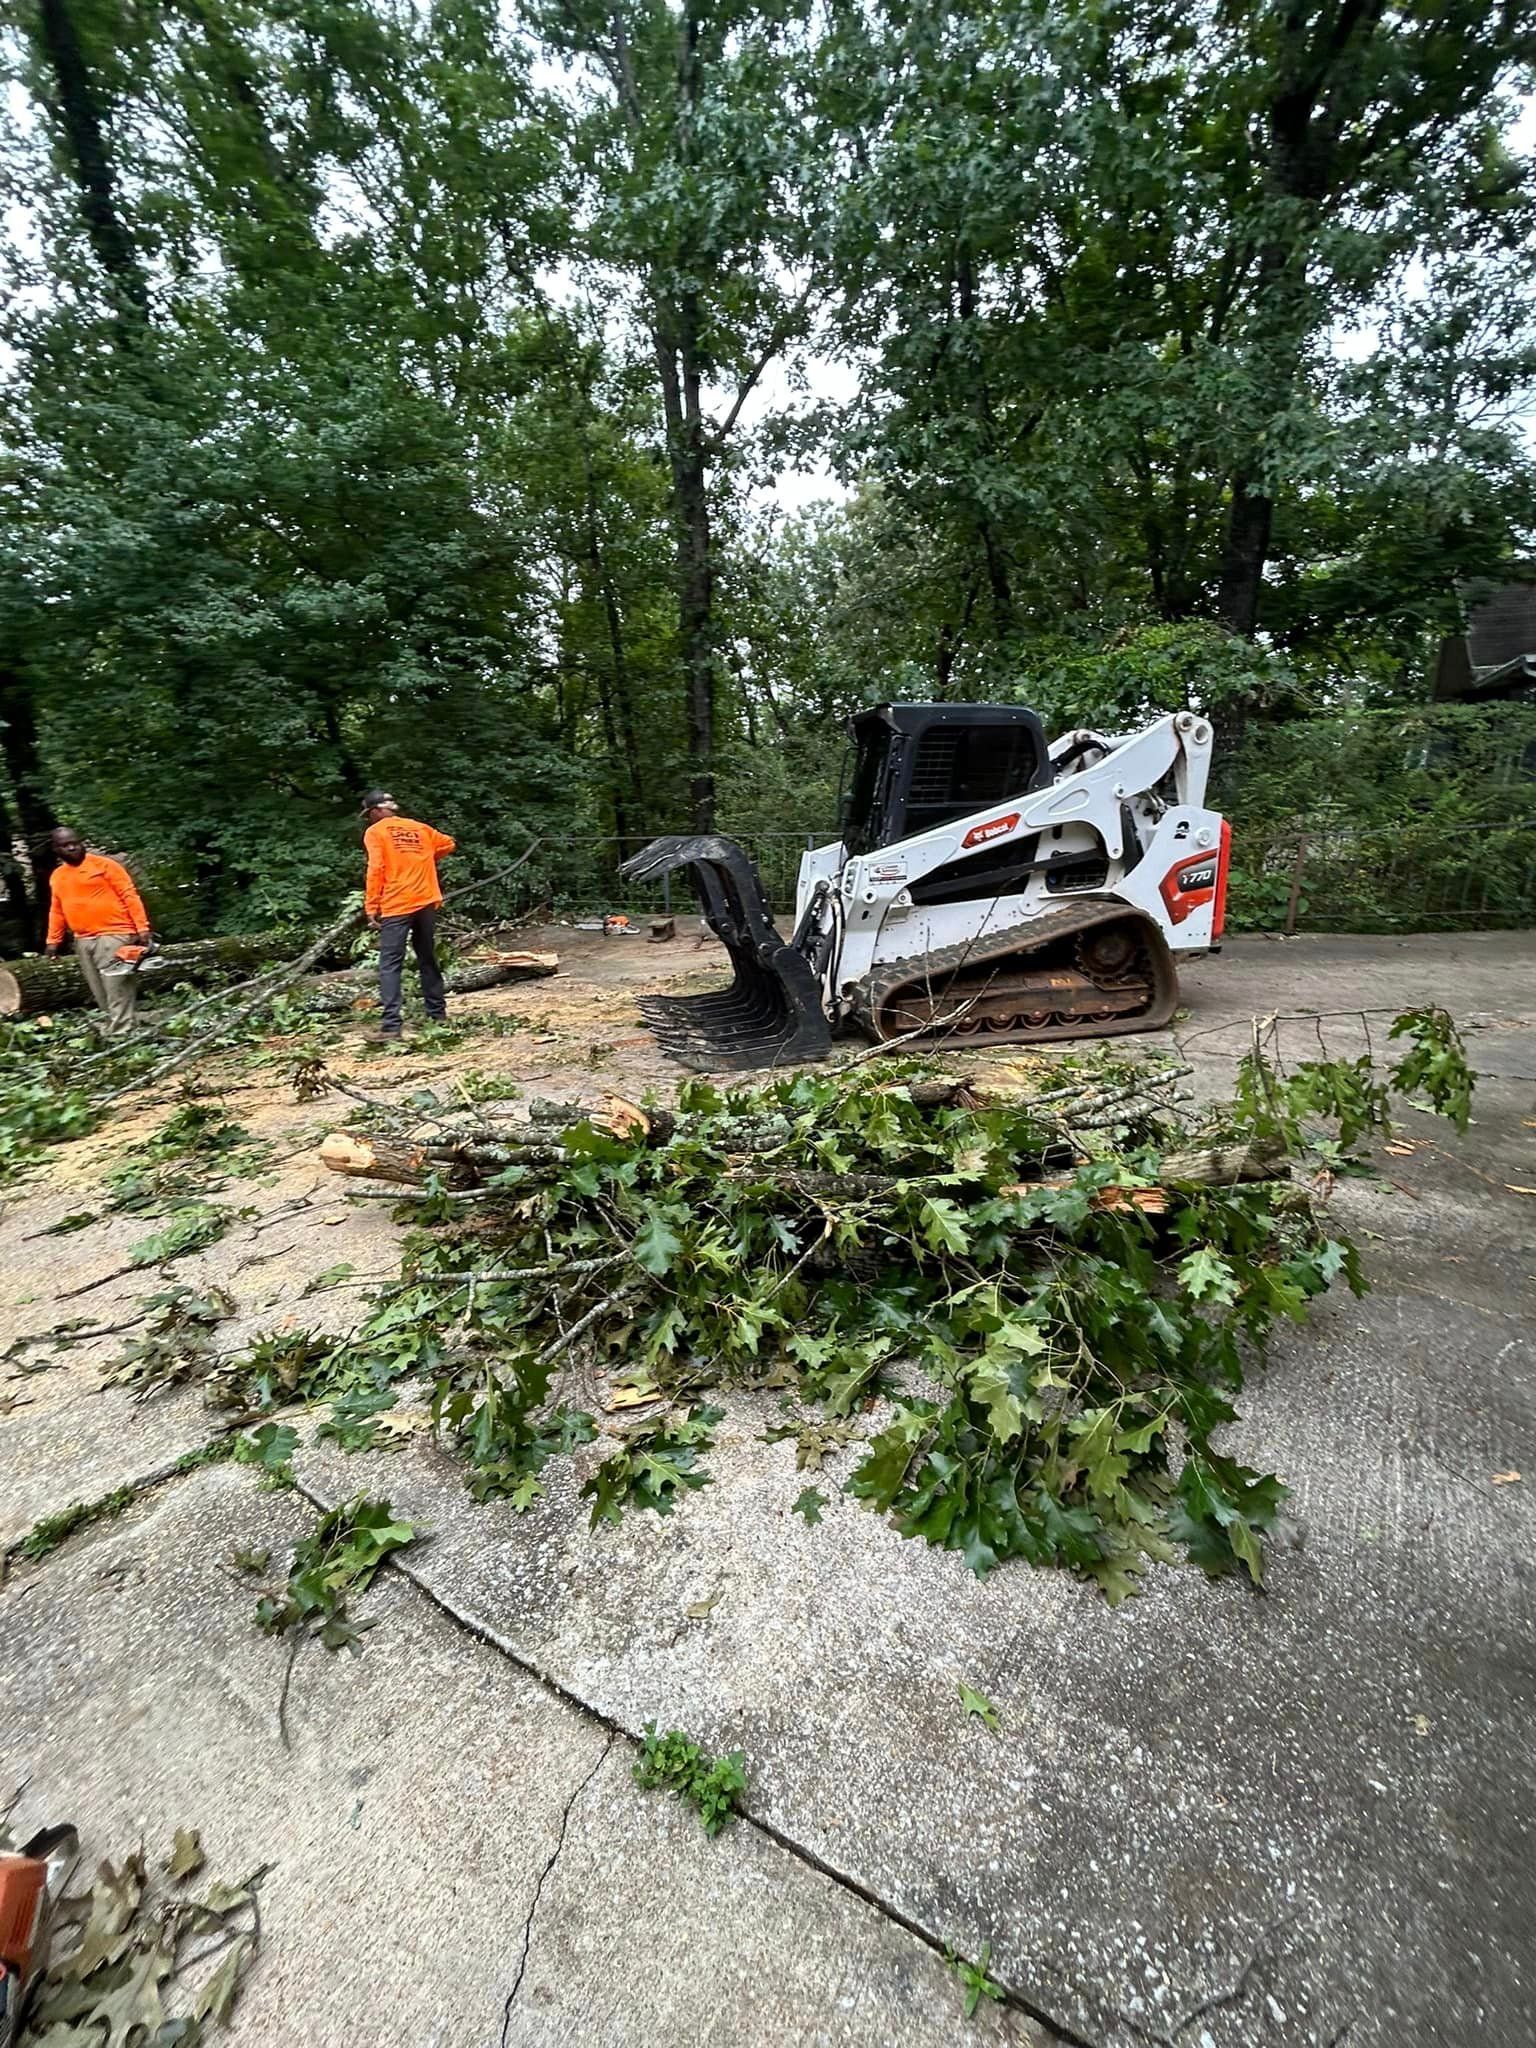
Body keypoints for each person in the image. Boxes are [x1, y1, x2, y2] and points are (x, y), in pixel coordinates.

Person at [360, 790, 455, 1039]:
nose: (370, 818)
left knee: (390, 964)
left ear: (378, 811)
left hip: (397, 902)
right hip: (425, 901)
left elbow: (376, 868)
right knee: (427, 958)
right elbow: (448, 843)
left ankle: (391, 1026)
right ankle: (438, 1015)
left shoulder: (376, 832)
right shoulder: (419, 828)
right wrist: (422, 859)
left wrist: (371, 906)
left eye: (370, 813)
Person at [43, 827, 151, 1037]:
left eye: (75, 842)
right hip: (83, 938)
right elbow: (57, 909)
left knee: (116, 986)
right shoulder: (58, 876)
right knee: (98, 989)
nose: (72, 847)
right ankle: (117, 1027)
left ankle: (122, 1034)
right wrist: (52, 941)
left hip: (115, 933)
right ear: (56, 849)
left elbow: (129, 895)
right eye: (65, 845)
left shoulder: (105, 865)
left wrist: (142, 928)